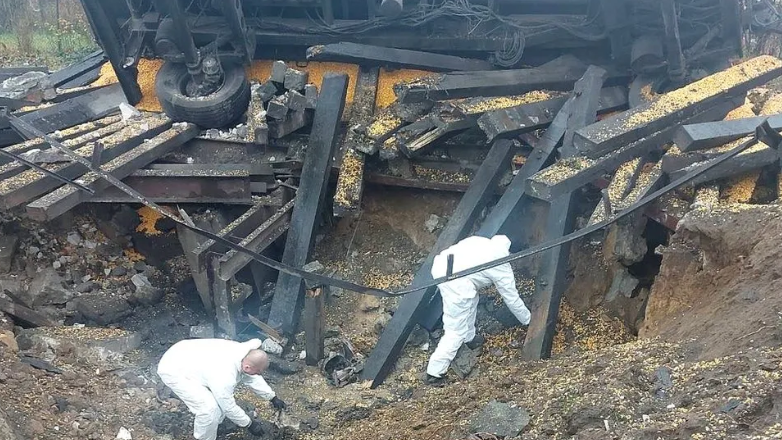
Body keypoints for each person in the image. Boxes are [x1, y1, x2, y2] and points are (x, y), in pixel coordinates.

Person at [425, 235, 531, 386]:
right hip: (456, 281)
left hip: (442, 266)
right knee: (455, 330)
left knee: (471, 298)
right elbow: (511, 299)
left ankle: (469, 338)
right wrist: (529, 320)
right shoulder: (501, 264)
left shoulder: (482, 241)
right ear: (510, 253)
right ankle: (434, 373)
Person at [157, 338, 287, 440]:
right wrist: (248, 424)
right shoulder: (224, 376)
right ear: (247, 367)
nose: (259, 375)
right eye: (258, 372)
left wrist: (272, 397)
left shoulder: (244, 354)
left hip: (189, 357)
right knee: (209, 409)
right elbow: (228, 406)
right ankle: (204, 438)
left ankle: (213, 426)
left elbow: (252, 377)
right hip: (173, 368)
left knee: (217, 406)